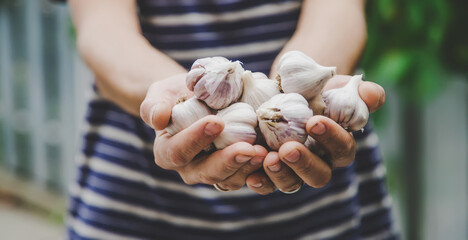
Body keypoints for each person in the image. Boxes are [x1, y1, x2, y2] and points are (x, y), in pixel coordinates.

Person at [67, 0, 396, 239]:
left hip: (321, 209)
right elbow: (101, 28)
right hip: (135, 201)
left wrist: (314, 86)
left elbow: (339, 11)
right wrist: (175, 107)